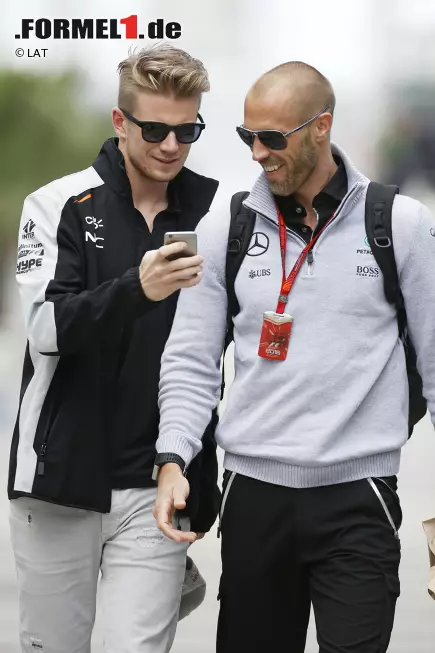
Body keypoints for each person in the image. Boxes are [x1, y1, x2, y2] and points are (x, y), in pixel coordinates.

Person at [153, 61, 435, 652]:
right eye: (247, 136)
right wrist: (175, 456)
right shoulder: (226, 227)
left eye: (273, 138)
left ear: (320, 128)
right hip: (254, 497)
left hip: (361, 497)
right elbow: (191, 358)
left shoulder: (401, 226)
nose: (258, 152)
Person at [8, 43, 220, 653]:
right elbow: (45, 330)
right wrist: (138, 289)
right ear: (120, 122)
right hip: (58, 482)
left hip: (157, 484)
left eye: (187, 130)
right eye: (155, 129)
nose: (171, 146)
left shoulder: (213, 213)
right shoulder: (57, 204)